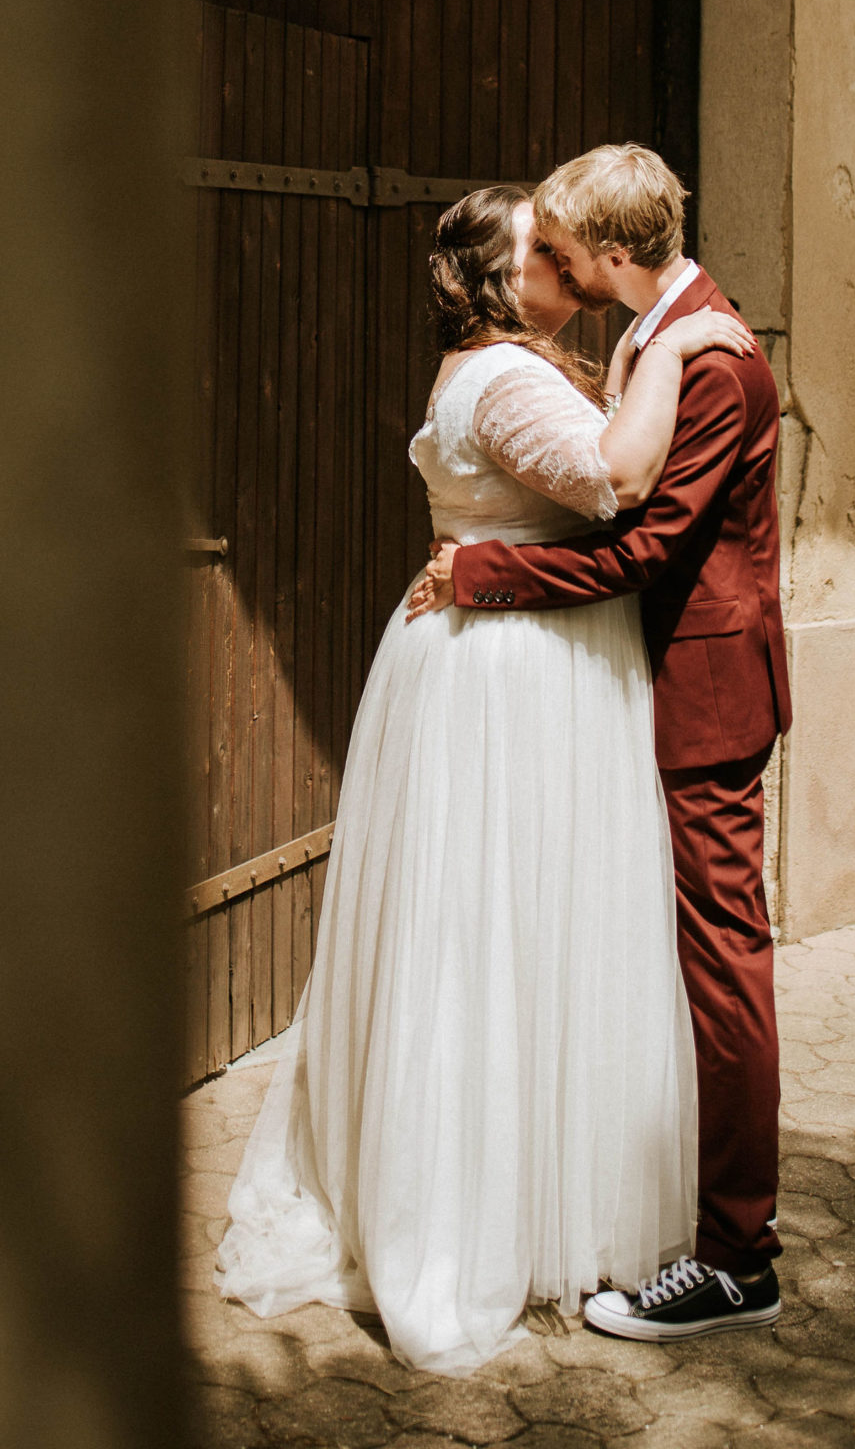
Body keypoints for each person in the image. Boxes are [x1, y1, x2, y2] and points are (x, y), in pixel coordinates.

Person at [216, 182, 755, 1374]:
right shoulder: (507, 376)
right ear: (498, 278)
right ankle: (467, 1220)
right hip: (516, 681)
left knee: (525, 934)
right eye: (540, 249)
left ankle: (525, 1187)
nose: (562, 261)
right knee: (494, 938)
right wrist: (681, 339)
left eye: (567, 247)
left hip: (523, 663)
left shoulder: (517, 363)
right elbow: (614, 479)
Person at [418, 143, 790, 1344]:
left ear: (613, 254)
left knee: (724, 963)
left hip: (705, 694)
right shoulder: (652, 332)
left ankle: (738, 1256)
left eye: (562, 245)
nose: (555, 264)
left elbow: (642, 549)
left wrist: (484, 569)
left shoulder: (714, 359)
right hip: (650, 682)